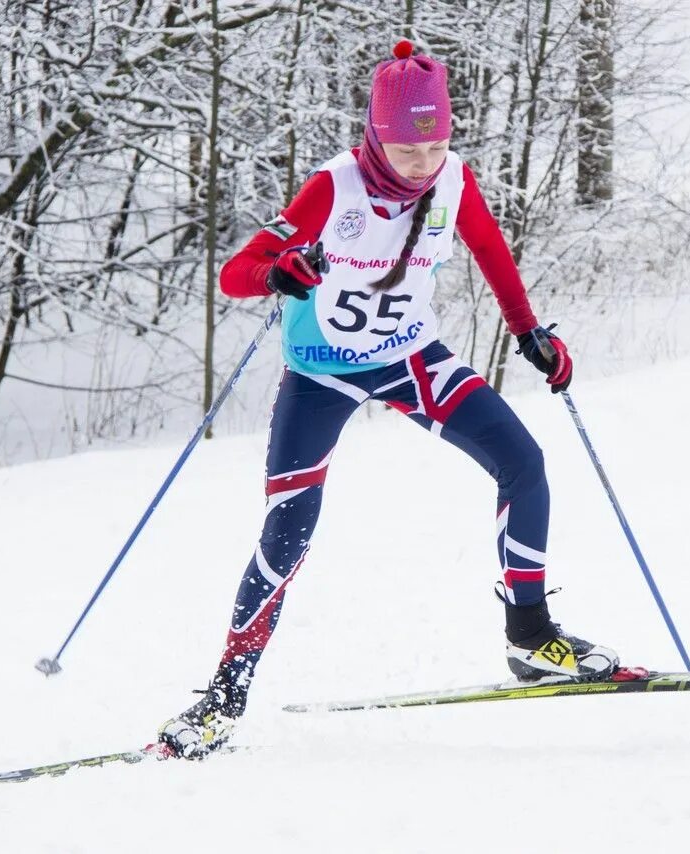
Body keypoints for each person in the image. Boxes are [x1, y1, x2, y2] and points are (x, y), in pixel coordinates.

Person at [158, 40, 618, 759]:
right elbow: (235, 273)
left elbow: (492, 250)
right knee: (288, 532)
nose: (422, 165)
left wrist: (529, 332)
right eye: (407, 151)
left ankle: (530, 636)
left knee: (524, 463)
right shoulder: (331, 188)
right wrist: (280, 272)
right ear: (376, 136)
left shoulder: (452, 179)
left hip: (409, 358)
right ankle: (223, 699)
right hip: (321, 373)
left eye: (436, 145)